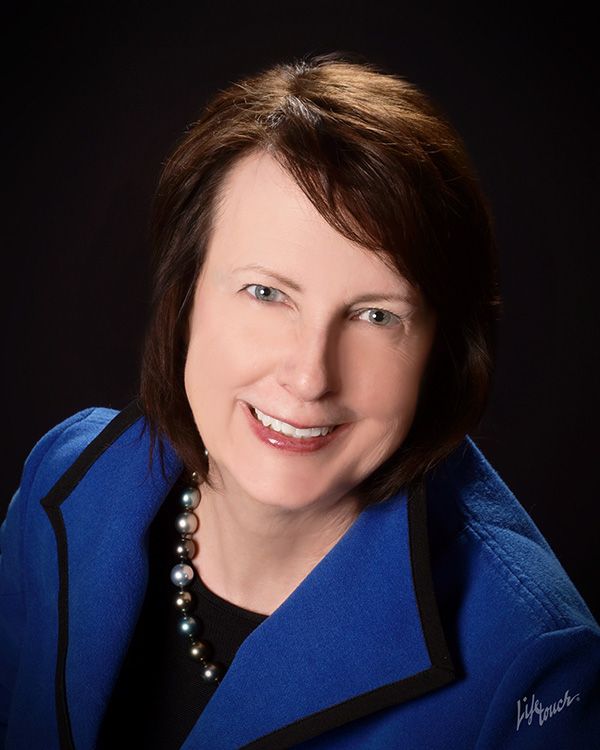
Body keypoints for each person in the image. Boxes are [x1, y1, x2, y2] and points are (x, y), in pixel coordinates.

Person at [1, 51, 598, 750]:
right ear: (185, 296)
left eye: (376, 316)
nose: (311, 376)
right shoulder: (65, 479)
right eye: (266, 293)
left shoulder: (531, 663)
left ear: (443, 348)